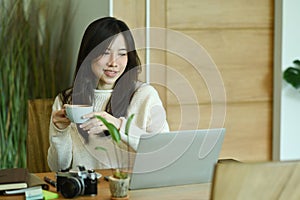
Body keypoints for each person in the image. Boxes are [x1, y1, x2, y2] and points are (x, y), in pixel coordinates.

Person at [47, 17, 169, 171]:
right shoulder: (67, 101)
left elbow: (164, 153)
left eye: (122, 54)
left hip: (128, 191)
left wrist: (118, 125)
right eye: (105, 52)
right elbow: (57, 168)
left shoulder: (145, 96)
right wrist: (59, 132)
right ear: (88, 55)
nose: (114, 62)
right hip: (85, 191)